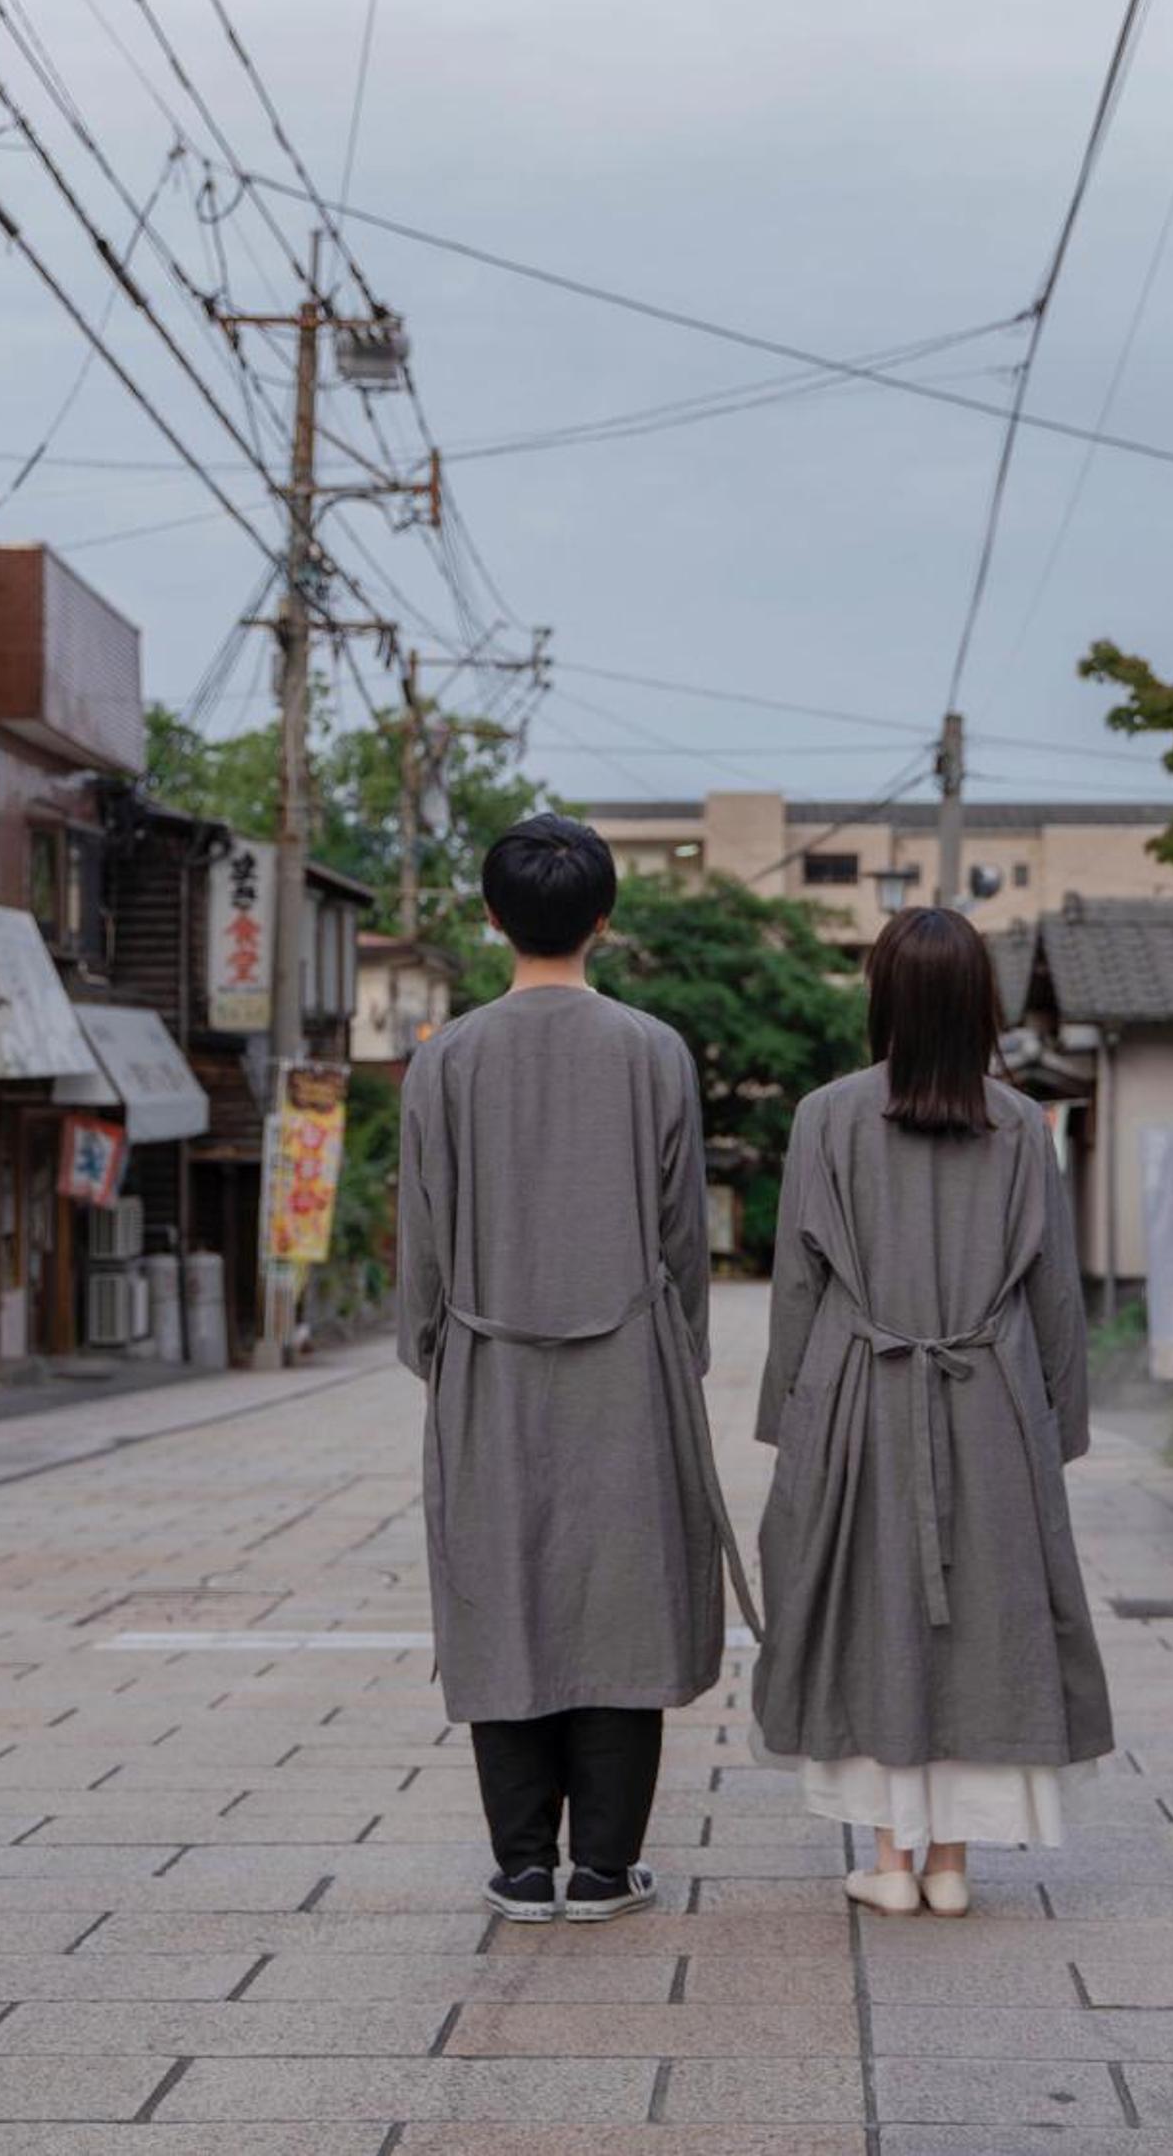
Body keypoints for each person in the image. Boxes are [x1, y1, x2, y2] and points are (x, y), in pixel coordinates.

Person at [397, 814, 758, 1924]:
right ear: (604, 919)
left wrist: (434, 1351)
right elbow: (678, 1233)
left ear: (492, 916)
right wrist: (680, 1352)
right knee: (622, 1600)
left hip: (487, 1360)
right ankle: (604, 1866)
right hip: (627, 1360)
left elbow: (423, 1236)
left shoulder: (446, 1058)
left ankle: (521, 1865)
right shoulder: (653, 1050)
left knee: (501, 1588)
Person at [751, 905, 1113, 1916]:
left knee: (871, 1614)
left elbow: (797, 1286)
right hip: (990, 1399)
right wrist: (1055, 1427)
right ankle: (952, 1865)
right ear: (979, 1006)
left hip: (863, 1390)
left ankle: (891, 1862)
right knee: (982, 1622)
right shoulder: (1019, 1127)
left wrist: (793, 1419)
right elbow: (1055, 1298)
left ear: (883, 999)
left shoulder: (824, 1116)